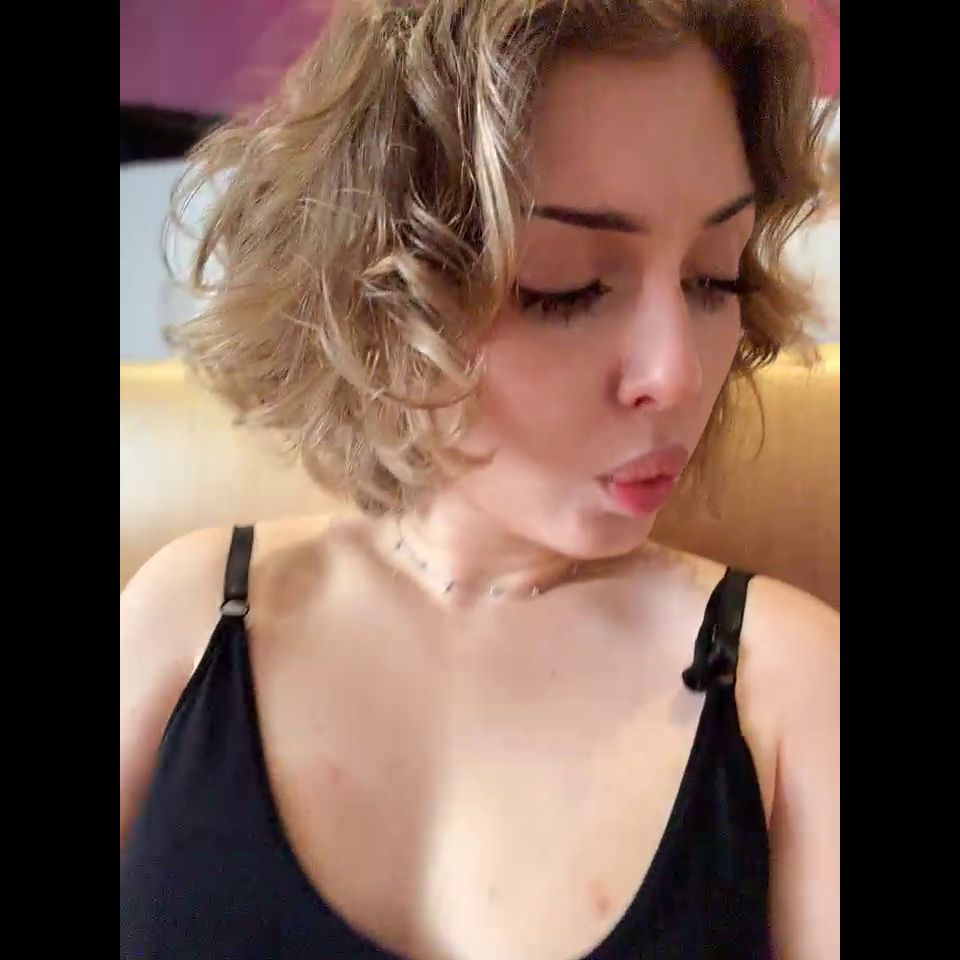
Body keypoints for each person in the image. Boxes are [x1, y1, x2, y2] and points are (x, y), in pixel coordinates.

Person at [120, 2, 840, 957]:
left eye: (715, 277)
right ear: (379, 295)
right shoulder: (186, 618)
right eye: (567, 287)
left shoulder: (789, 688)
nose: (676, 374)